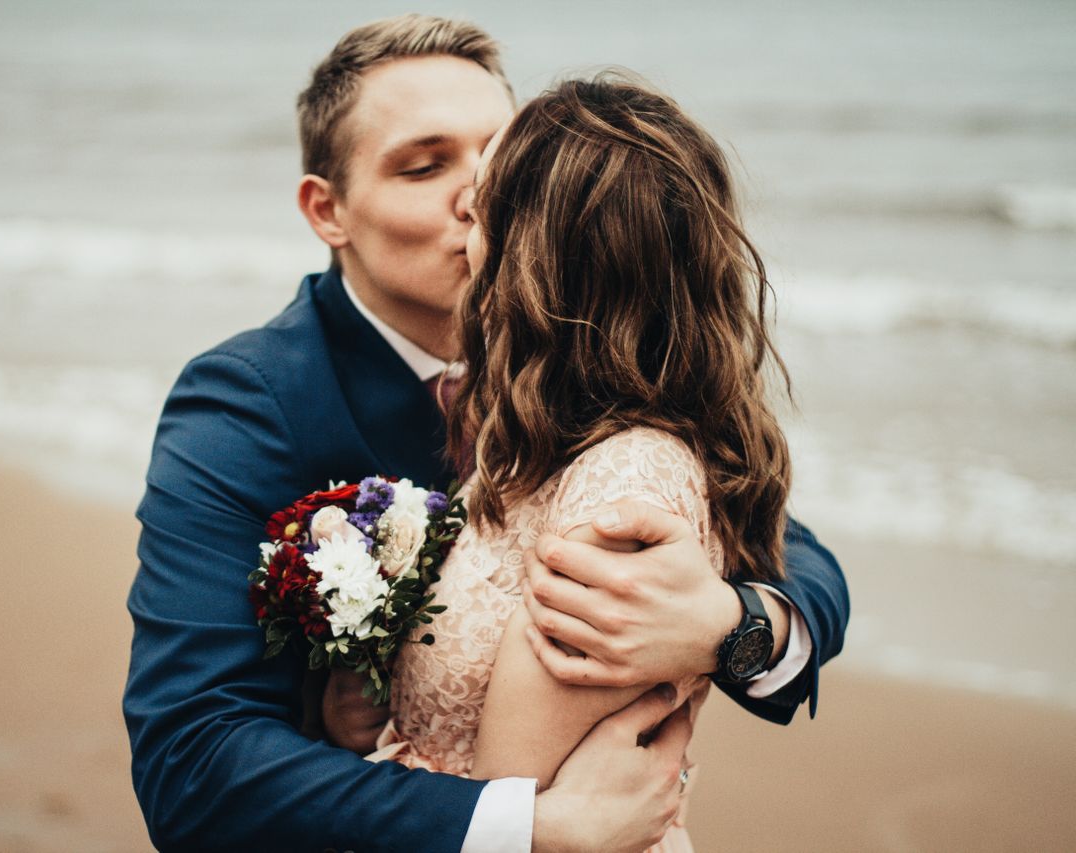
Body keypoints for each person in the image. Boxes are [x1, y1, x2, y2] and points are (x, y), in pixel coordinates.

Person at [123, 15, 848, 852]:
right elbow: (192, 758)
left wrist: (730, 627)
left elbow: (794, 551)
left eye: (498, 155)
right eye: (424, 165)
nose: (475, 194)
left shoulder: (574, 366)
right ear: (329, 210)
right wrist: (532, 828)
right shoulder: (251, 402)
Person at [379, 72, 803, 851]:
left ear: (540, 257)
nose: (465, 223)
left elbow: (521, 809)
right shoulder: (542, 438)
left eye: (483, 204)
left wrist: (741, 629)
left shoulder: (627, 487)